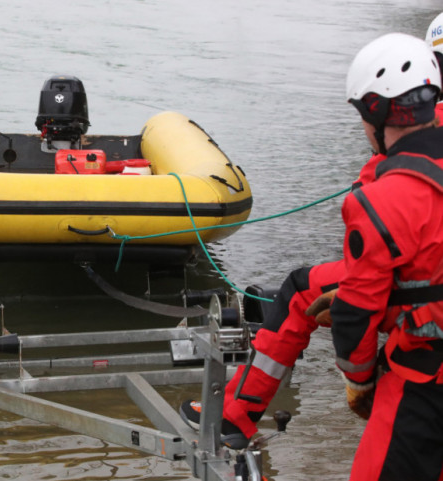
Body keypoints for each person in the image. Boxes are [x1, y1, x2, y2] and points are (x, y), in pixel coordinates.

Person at [179, 15, 443, 451]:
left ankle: (235, 416)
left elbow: (380, 204)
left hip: (414, 284)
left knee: (301, 290)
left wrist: (360, 379)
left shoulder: (419, 127)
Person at [328, 32, 443, 480]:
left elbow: (356, 314)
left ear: (376, 112)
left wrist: (359, 382)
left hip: (422, 383)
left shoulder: (377, 202)